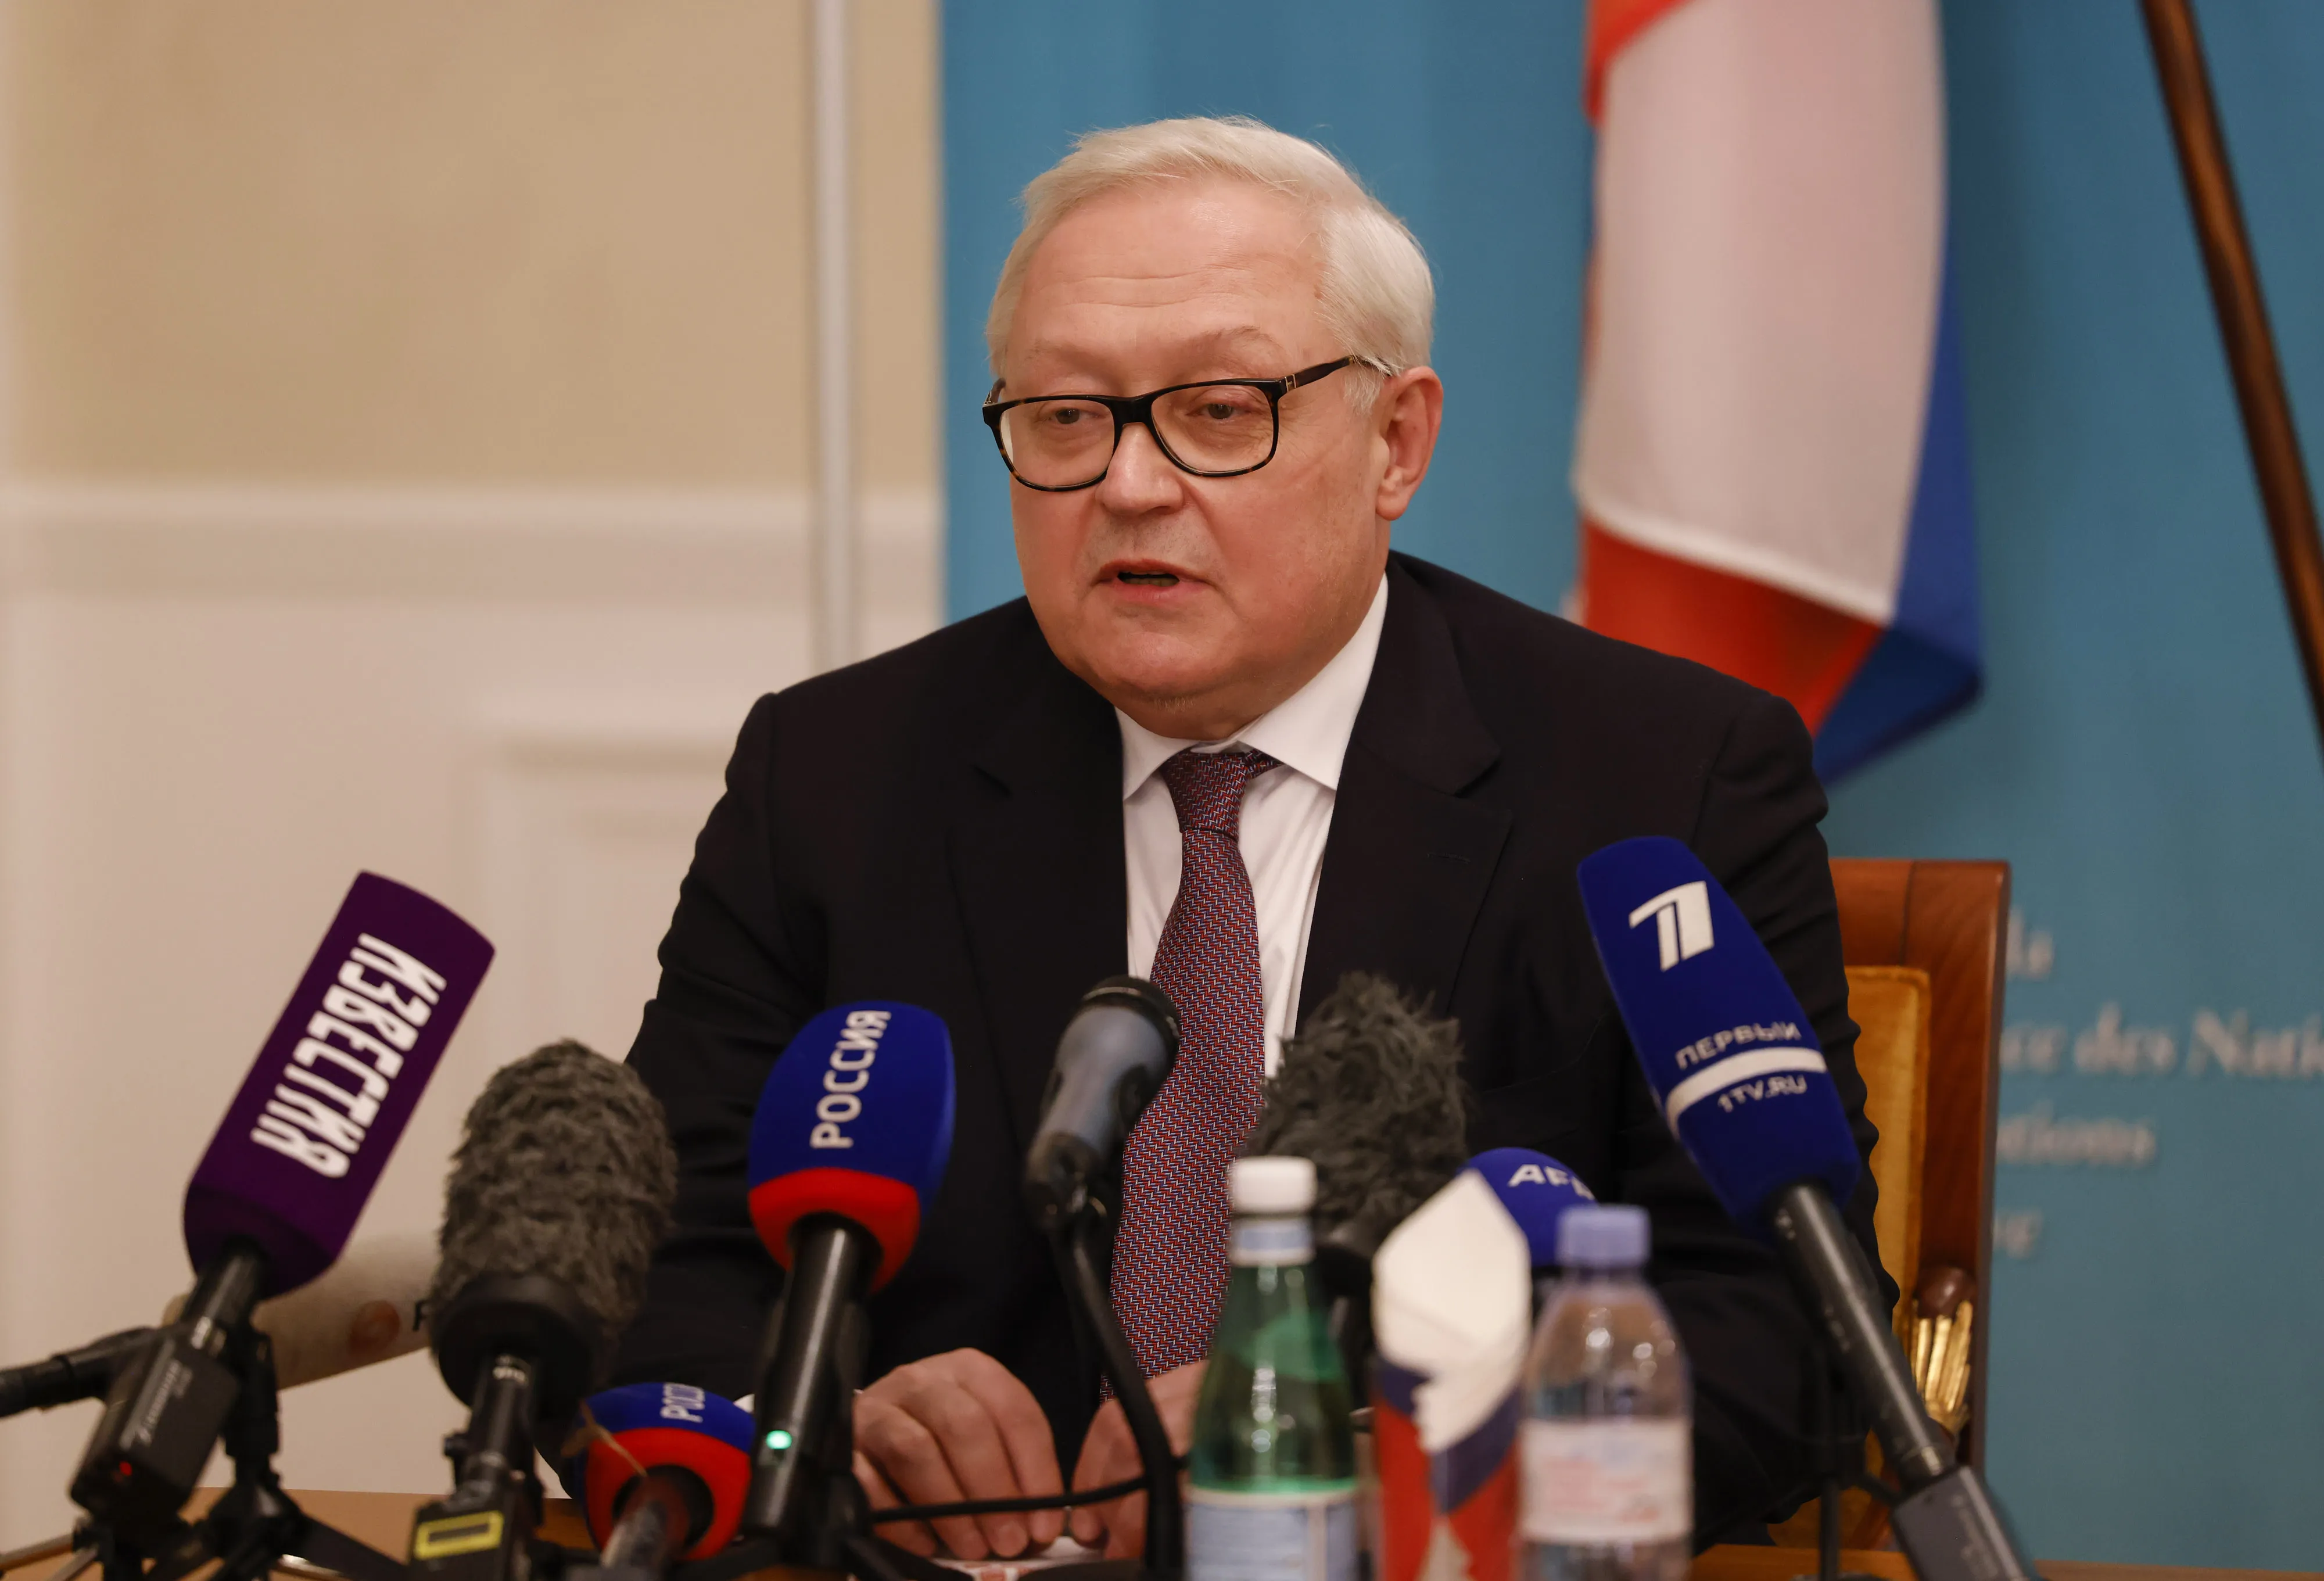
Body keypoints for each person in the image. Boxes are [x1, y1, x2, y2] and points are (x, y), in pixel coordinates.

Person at [615, 115, 1887, 1559]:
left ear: (1395, 441)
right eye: (1064, 416)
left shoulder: (1660, 777)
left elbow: (1784, 1324)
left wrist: (1337, 1439)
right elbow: (667, 1261)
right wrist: (816, 1419)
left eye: (1219, 409)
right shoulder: (836, 774)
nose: (1128, 484)